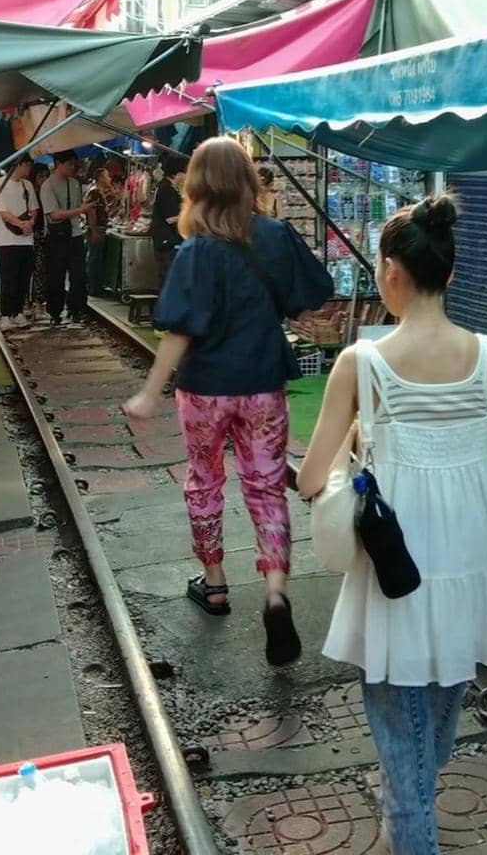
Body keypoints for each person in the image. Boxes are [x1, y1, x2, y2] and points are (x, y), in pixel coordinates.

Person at [296, 194, 487, 855]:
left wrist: (359, 434)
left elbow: (311, 478)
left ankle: (409, 826)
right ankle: (408, 816)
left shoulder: (361, 364)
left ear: (390, 271)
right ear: (450, 274)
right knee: (424, 744)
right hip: (470, 575)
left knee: (406, 769)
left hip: (396, 581)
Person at [122, 137, 334, 666]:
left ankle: (214, 582)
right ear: (247, 181)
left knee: (204, 480)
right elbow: (313, 293)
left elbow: (179, 330)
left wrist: (151, 391)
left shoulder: (196, 251)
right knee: (266, 488)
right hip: (263, 383)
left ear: (196, 185)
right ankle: (276, 591)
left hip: (206, 390)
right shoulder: (277, 236)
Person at [40, 149, 94, 326]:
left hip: (76, 234)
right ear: (58, 164)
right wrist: (82, 210)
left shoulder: (74, 183)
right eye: (69, 164)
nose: (72, 167)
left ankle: (76, 309)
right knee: (56, 276)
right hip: (56, 237)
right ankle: (55, 312)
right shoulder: (47, 185)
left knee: (79, 275)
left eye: (73, 163)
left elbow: (78, 208)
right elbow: (54, 215)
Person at [0, 155, 39, 332]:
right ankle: (5, 314)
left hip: (27, 240)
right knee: (8, 278)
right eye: (27, 165)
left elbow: (34, 209)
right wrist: (21, 224)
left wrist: (30, 223)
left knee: (23, 278)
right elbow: (2, 211)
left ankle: (18, 312)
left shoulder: (27, 185)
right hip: (6, 240)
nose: (29, 169)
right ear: (20, 164)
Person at [151, 155, 187, 287]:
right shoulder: (167, 189)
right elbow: (170, 219)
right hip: (166, 241)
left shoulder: (167, 187)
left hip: (166, 240)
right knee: (168, 277)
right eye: (185, 172)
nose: (186, 176)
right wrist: (188, 212)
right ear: (176, 173)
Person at [84, 164, 113, 296]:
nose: (109, 178)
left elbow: (104, 211)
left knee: (98, 258)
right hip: (95, 230)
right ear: (101, 178)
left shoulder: (101, 192)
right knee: (94, 259)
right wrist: (95, 231)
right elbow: (91, 212)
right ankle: (93, 287)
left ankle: (97, 286)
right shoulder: (94, 192)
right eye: (107, 176)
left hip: (100, 228)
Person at [27, 162, 51, 318]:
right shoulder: (30, 193)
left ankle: (37, 303)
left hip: (44, 234)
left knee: (41, 270)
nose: (43, 180)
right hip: (31, 234)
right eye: (40, 176)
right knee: (32, 269)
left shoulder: (46, 192)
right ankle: (31, 303)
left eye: (45, 176)